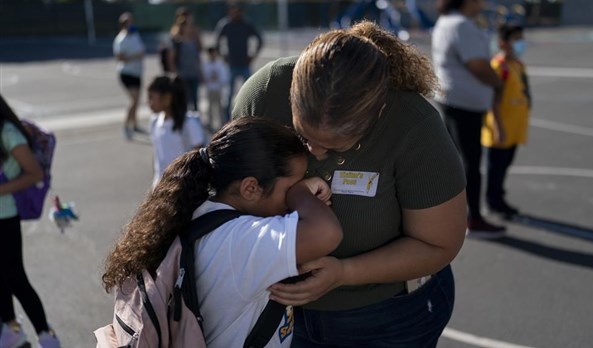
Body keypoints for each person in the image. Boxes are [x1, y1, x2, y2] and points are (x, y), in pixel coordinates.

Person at [233, 20, 468, 347]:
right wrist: (294, 196)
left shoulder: (415, 128)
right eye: (301, 136)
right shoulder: (264, 93)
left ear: (378, 112)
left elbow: (439, 244)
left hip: (388, 317)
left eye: (333, 146)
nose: (314, 152)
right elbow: (229, 194)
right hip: (277, 308)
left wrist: (345, 273)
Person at [102, 117, 343, 347]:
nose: (293, 197)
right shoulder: (239, 241)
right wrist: (301, 192)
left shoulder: (201, 211)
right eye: (290, 187)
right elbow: (326, 233)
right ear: (250, 188)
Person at [432, 0, 507, 238]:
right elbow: (478, 65)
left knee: (456, 160)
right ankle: (473, 217)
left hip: (452, 98)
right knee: (470, 163)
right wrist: (498, 83)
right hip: (465, 104)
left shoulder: (446, 22)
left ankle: (454, 214)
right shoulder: (461, 25)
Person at [0, 95, 60, 348]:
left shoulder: (7, 132)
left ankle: (46, 335)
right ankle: (11, 329)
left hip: (4, 217)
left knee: (15, 278)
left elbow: (34, 173)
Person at [481, 23, 530, 218]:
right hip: (501, 128)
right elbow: (493, 99)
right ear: (503, 43)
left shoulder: (517, 64)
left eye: (521, 38)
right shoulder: (499, 66)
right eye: (515, 39)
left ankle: (499, 197)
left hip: (515, 126)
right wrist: (499, 127)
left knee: (505, 165)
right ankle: (494, 201)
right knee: (497, 168)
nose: (520, 43)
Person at [147, 75, 205, 187]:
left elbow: (199, 161)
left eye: (151, 97)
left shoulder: (189, 124)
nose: (149, 102)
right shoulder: (155, 122)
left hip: (184, 189)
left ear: (167, 98)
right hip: (160, 188)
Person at [214, 3, 263, 120]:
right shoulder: (226, 25)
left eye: (238, 11)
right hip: (231, 65)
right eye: (233, 11)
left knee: (250, 92)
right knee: (228, 95)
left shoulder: (246, 24)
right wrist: (223, 56)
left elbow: (259, 39)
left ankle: (250, 116)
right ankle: (226, 120)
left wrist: (253, 55)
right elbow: (217, 42)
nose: (236, 14)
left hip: (245, 64)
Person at [113, 12, 145, 140]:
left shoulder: (135, 35)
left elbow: (142, 51)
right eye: (128, 22)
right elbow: (120, 58)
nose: (131, 24)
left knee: (136, 101)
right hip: (127, 73)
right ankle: (126, 126)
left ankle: (135, 123)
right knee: (134, 100)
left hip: (137, 73)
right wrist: (135, 56)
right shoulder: (120, 39)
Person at [166, 7, 203, 112]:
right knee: (184, 100)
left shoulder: (194, 34)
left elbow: (199, 51)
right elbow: (171, 57)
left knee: (195, 100)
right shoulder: (176, 37)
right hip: (182, 74)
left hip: (193, 72)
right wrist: (175, 74)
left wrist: (200, 71)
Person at [202, 46, 229, 131]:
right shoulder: (205, 64)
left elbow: (224, 77)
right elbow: (204, 77)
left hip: (218, 89)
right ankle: (210, 123)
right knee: (210, 107)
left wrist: (219, 80)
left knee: (219, 107)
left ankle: (222, 123)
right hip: (210, 88)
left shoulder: (220, 64)